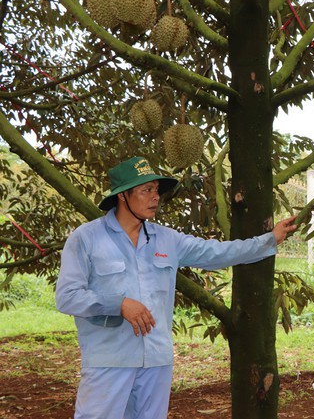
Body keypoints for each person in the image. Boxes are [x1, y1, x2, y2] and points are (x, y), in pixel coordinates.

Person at [55, 156, 297, 419]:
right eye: (146, 190)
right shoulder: (87, 238)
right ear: (123, 196)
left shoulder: (166, 239)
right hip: (109, 360)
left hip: (156, 359)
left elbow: (217, 253)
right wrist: (120, 304)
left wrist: (269, 239)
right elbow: (67, 297)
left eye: (157, 190)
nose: (155, 197)